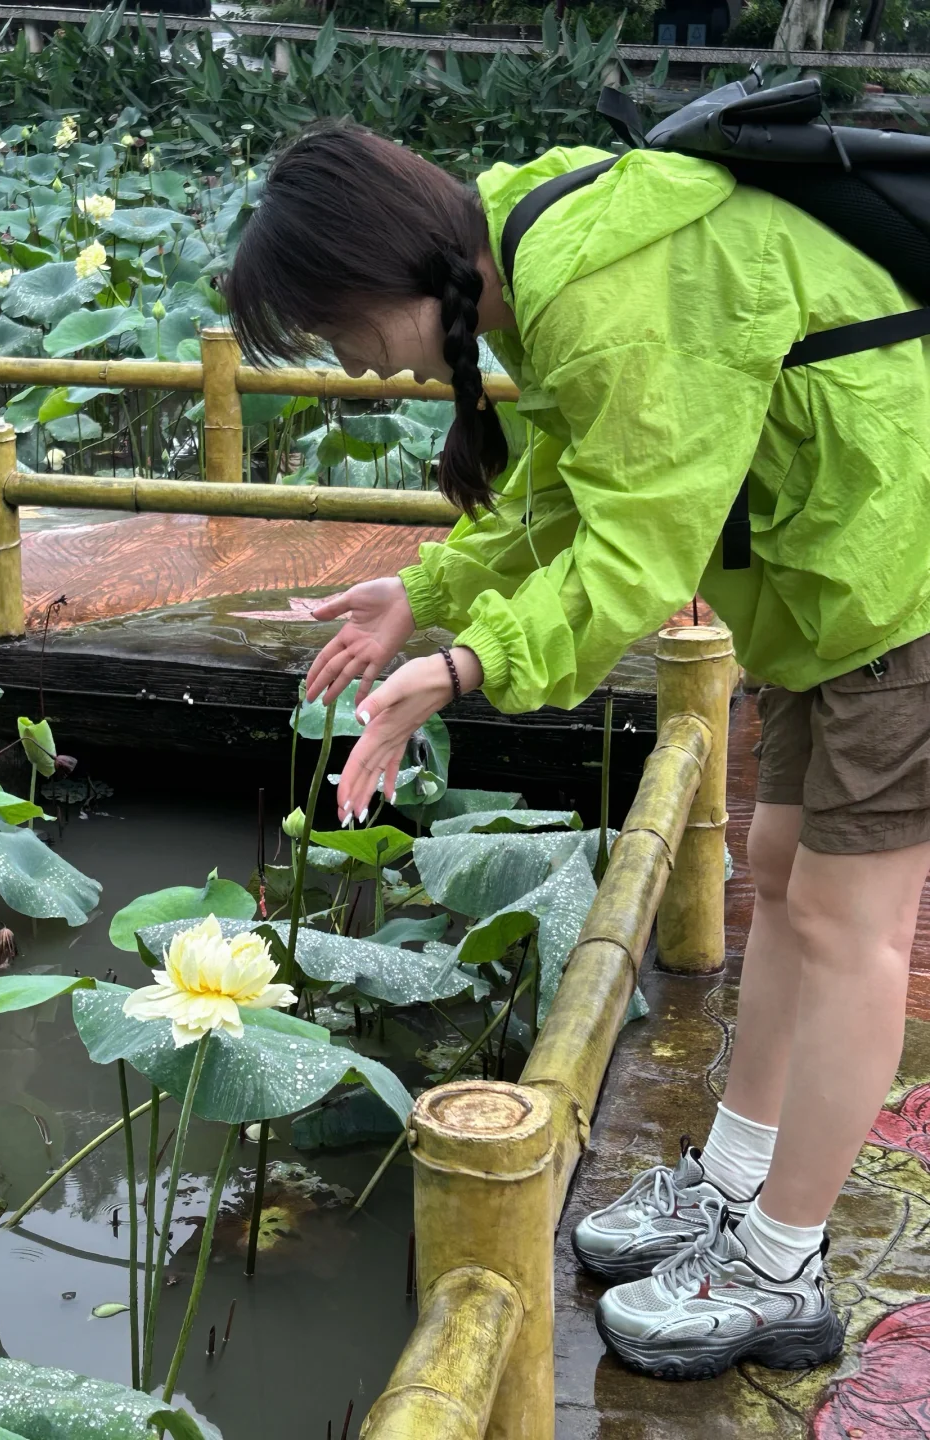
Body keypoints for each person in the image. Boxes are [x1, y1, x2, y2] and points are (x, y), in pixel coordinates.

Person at [225, 120, 930, 1380]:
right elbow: (575, 485)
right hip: (838, 575)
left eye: (344, 337)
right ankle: (737, 1179)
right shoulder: (531, 254)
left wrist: (461, 670)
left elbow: (635, 552)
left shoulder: (606, 286)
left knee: (850, 925)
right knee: (778, 871)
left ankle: (783, 1265)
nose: (359, 370)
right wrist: (425, 593)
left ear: (393, 275)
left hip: (907, 571)